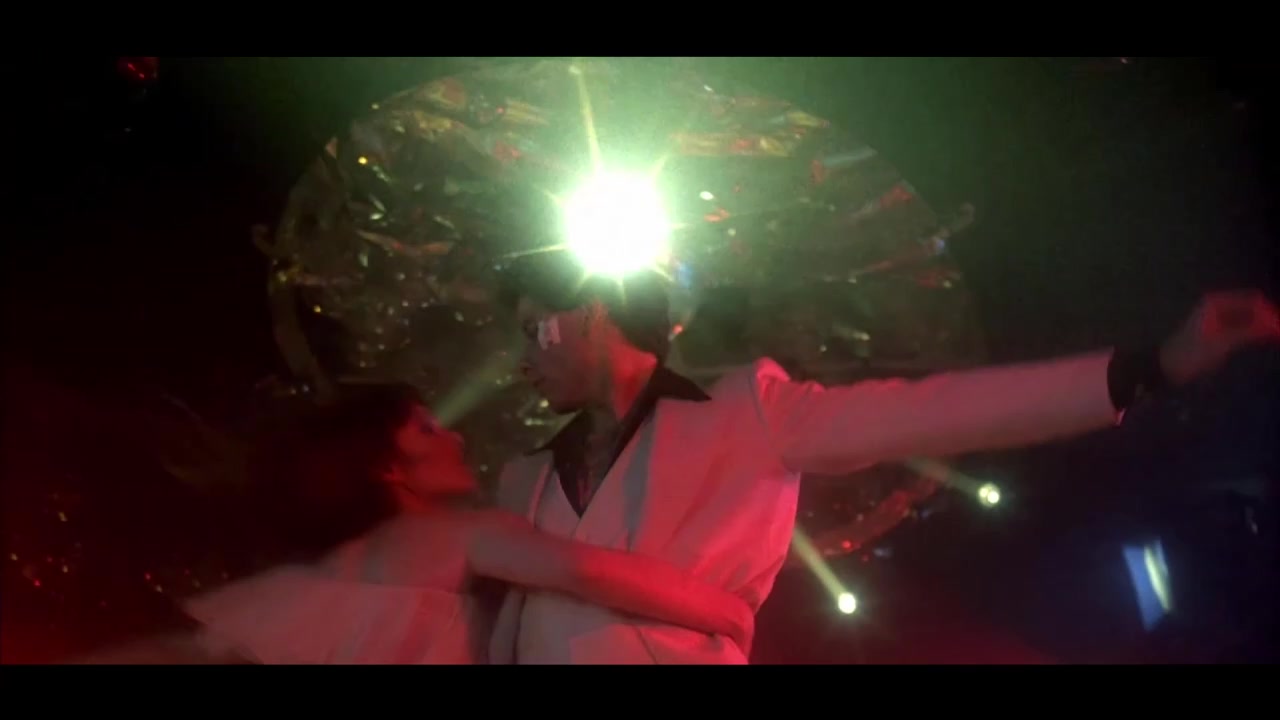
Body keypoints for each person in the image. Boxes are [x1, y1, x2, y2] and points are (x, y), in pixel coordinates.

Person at [490, 253, 1280, 664]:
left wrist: (1153, 367)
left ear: (591, 313)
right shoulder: (524, 476)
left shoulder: (743, 410)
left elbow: (932, 410)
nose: (522, 359)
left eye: (533, 330)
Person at [76, 383, 754, 664]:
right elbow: (585, 570)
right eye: (427, 429)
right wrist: (727, 611)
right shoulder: (464, 534)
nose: (454, 437)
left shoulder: (320, 576)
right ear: (386, 465)